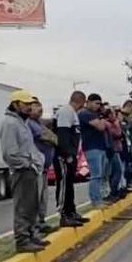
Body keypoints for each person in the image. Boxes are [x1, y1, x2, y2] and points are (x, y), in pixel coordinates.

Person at [0, 90, 47, 253]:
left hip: (30, 169)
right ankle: (22, 240)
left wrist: (37, 160)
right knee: (23, 207)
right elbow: (9, 153)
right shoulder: (10, 123)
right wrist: (26, 164)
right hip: (22, 171)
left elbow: (29, 146)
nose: (29, 107)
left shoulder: (22, 122)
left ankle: (31, 235)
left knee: (32, 205)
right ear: (15, 104)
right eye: (25, 104)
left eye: (30, 104)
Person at [55, 91, 87, 227]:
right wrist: (67, 154)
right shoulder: (66, 112)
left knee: (69, 185)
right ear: (81, 101)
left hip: (72, 155)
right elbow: (63, 135)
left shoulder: (73, 113)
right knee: (63, 185)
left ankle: (71, 211)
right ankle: (63, 214)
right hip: (64, 156)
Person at [27, 98, 58, 235]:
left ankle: (41, 222)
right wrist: (52, 137)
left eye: (40, 105)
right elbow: (48, 137)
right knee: (34, 198)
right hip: (36, 168)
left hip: (44, 168)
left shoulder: (39, 123)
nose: (39, 108)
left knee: (43, 197)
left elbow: (52, 137)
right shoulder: (29, 124)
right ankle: (33, 226)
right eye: (35, 106)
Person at [78, 93, 109, 208]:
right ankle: (95, 201)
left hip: (100, 147)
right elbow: (101, 127)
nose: (98, 106)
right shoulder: (85, 114)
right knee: (96, 175)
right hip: (92, 148)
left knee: (101, 175)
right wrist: (101, 118)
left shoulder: (94, 114)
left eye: (100, 104)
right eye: (96, 103)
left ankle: (99, 198)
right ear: (88, 102)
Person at [103, 106, 126, 202]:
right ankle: (114, 192)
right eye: (112, 114)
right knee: (117, 171)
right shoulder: (107, 124)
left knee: (117, 171)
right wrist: (117, 124)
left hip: (116, 149)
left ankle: (116, 191)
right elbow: (117, 133)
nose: (115, 116)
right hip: (112, 150)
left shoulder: (112, 123)